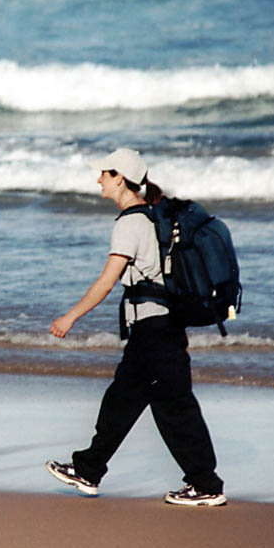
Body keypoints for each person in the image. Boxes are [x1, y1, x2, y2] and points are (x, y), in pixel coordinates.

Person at [45, 148, 226, 506]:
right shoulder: (151, 218)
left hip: (154, 331)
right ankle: (89, 469)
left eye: (104, 173)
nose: (98, 180)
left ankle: (206, 486)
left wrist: (70, 316)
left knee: (174, 408)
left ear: (119, 178)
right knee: (122, 401)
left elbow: (107, 281)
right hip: (159, 329)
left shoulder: (131, 222)